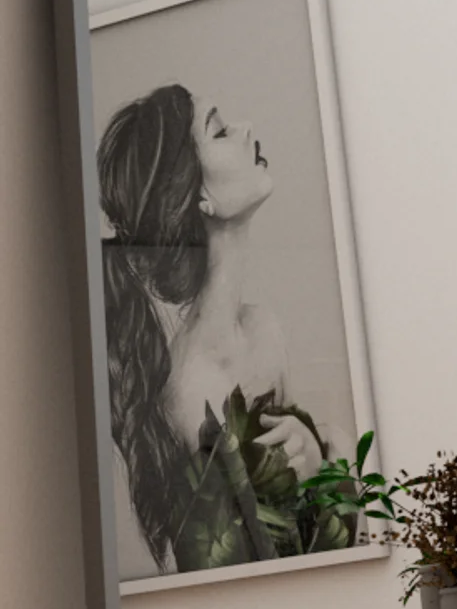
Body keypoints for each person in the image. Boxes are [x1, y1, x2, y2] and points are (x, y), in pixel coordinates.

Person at [99, 83, 323, 574]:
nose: (246, 129)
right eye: (219, 131)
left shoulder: (264, 328)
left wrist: (318, 459)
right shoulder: (191, 392)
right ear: (198, 197)